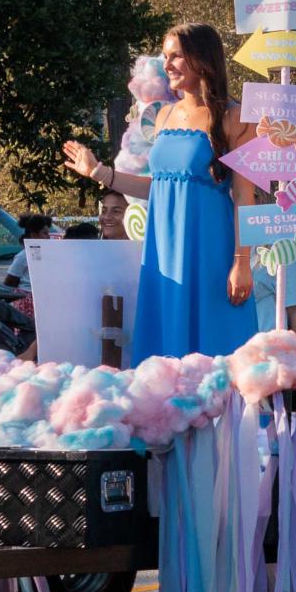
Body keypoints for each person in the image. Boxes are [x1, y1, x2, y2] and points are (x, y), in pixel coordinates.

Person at [61, 23, 258, 361]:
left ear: (204, 59)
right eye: (165, 56)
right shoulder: (164, 115)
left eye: (176, 56)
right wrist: (99, 172)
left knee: (216, 348)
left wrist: (242, 262)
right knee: (165, 348)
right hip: (163, 250)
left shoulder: (235, 117)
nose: (167, 65)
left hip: (209, 249)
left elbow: (244, 196)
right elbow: (159, 186)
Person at [0, 214, 54, 291]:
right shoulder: (24, 256)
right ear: (34, 235)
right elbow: (10, 282)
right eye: (45, 233)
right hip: (26, 296)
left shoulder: (49, 254)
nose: (49, 237)